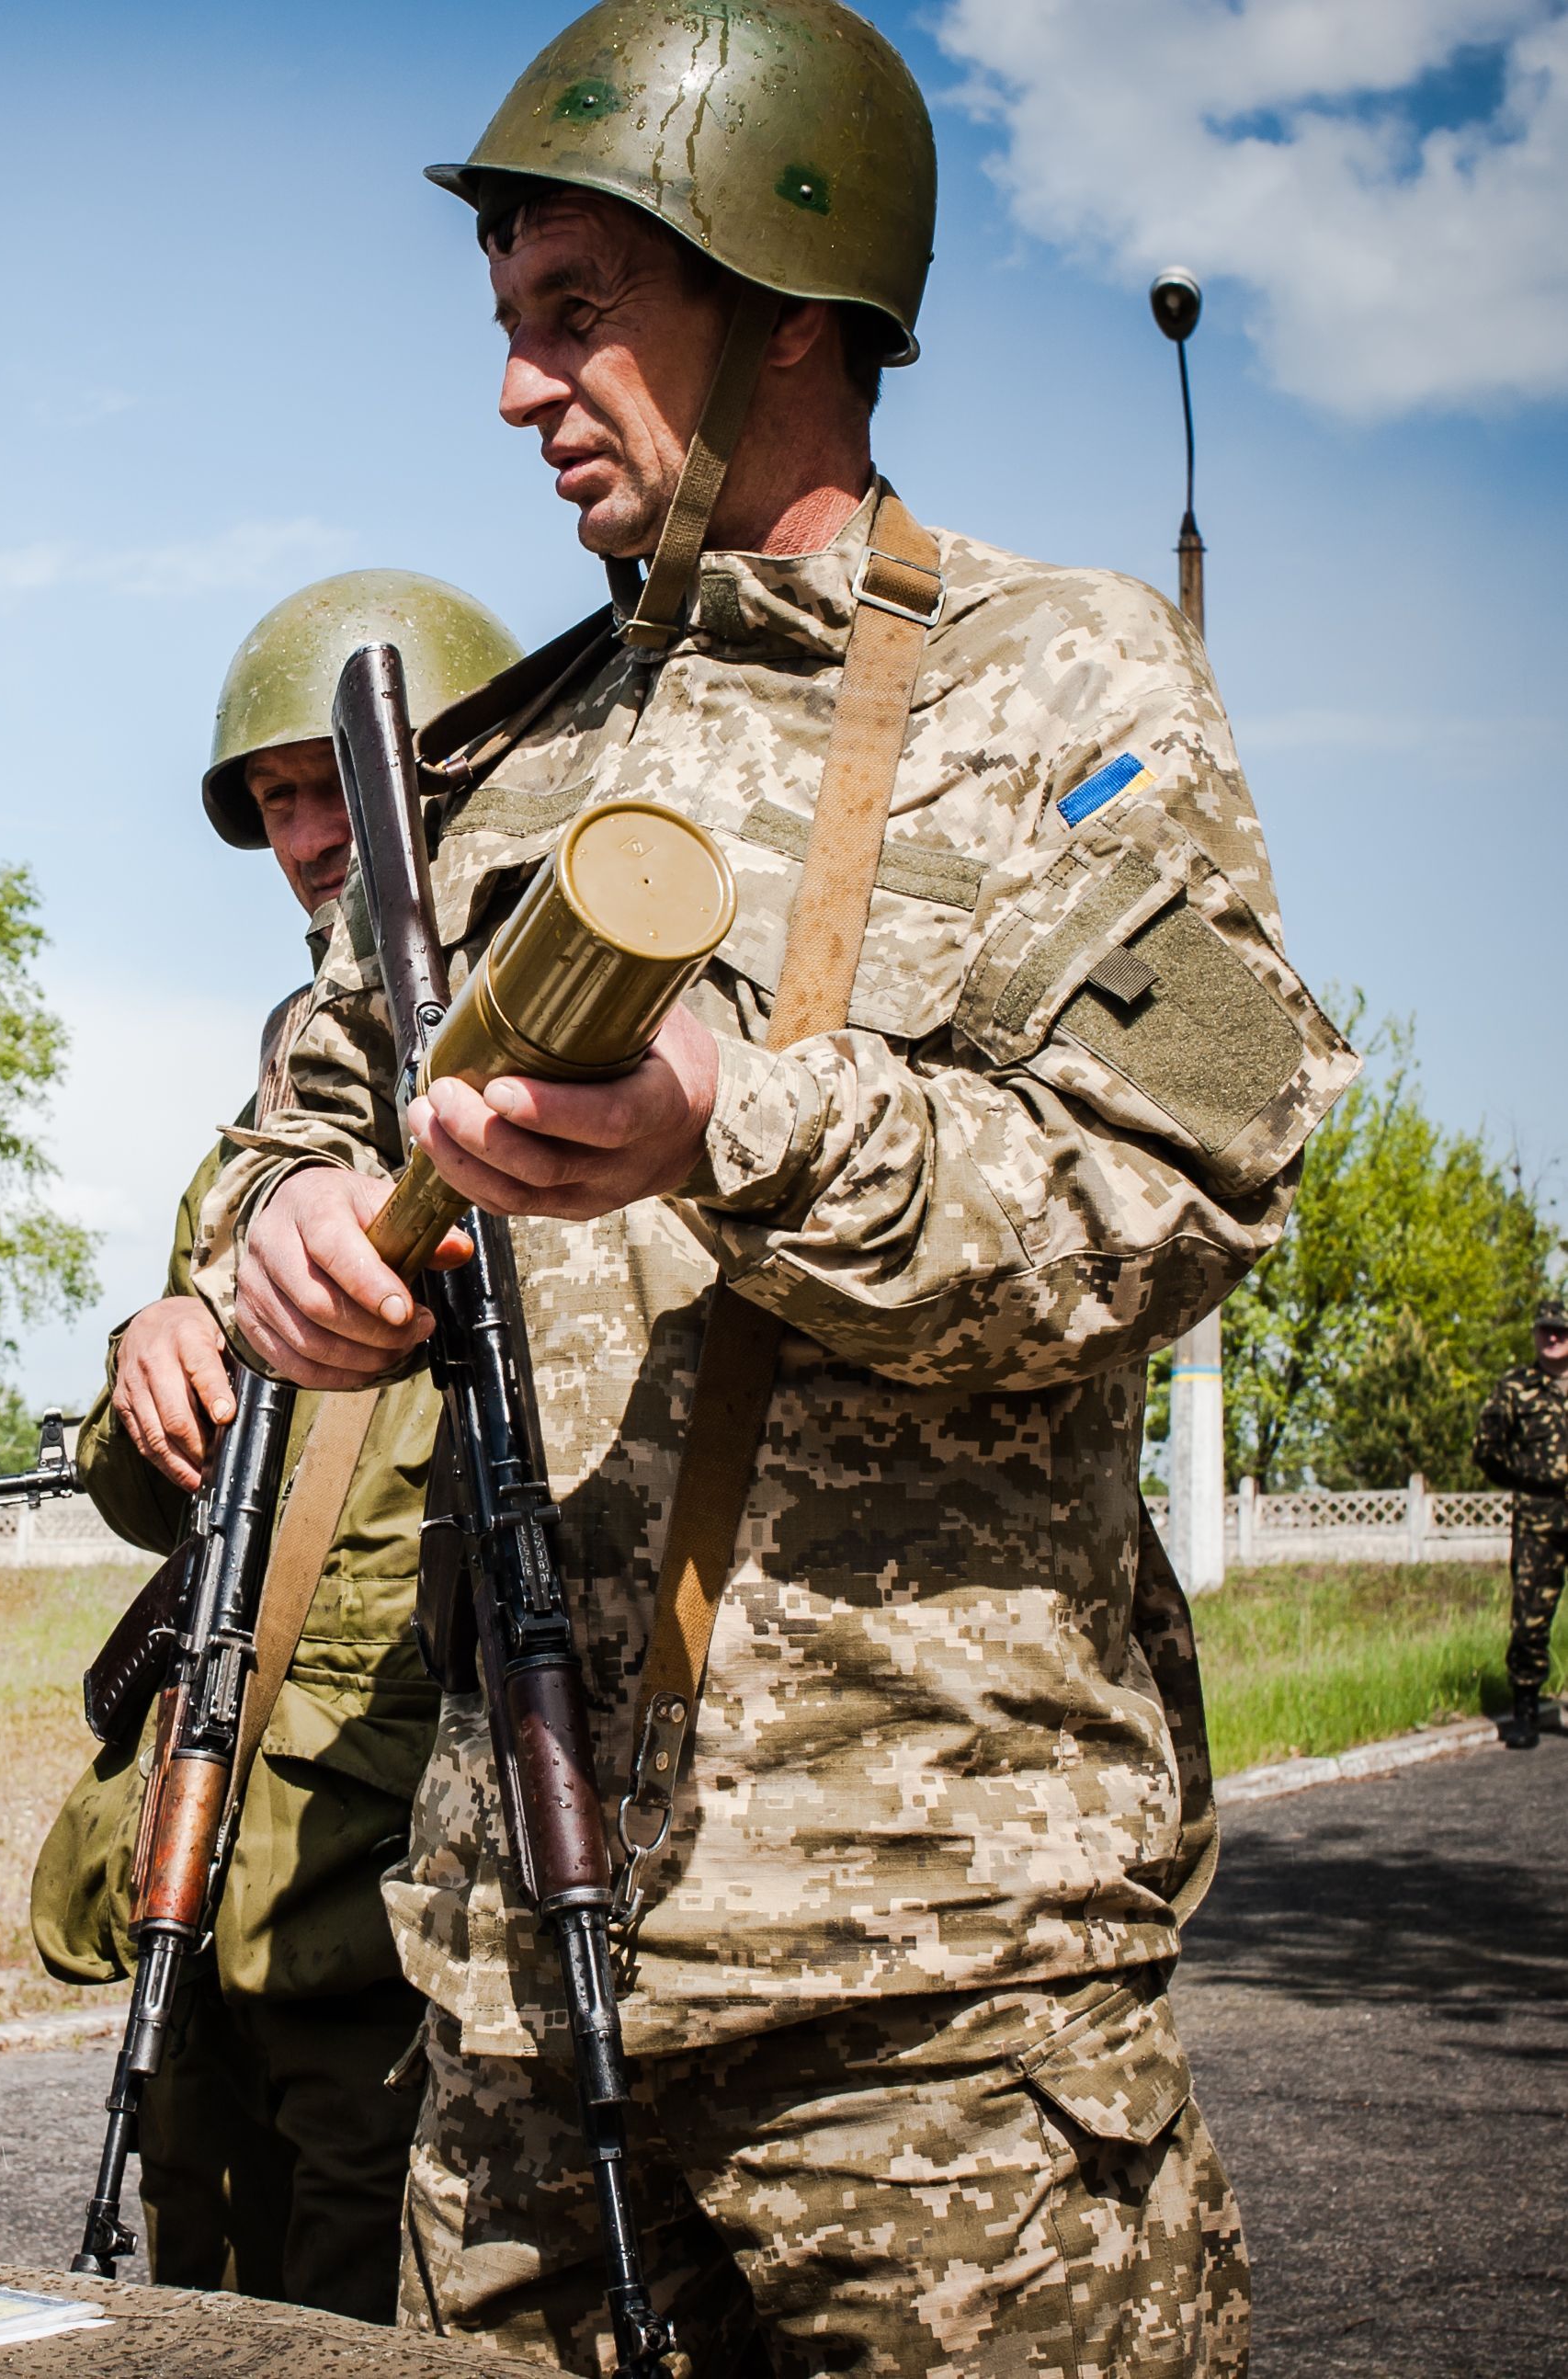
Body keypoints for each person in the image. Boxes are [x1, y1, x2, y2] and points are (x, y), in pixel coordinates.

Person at [199, 4, 1359, 2369]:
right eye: (506, 330)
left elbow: (1169, 1191)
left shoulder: (1055, 687)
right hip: (523, 1976)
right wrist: (285, 1231)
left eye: (573, 320)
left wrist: (728, 1121)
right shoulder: (499, 762)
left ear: (781, 306)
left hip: (930, 1995)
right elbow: (306, 1102)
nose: (516, 393)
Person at [29, 571, 519, 2319]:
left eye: (335, 785)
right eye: (277, 803)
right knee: (194, 2308)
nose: (310, 836)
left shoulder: (544, 1088)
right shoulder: (275, 1107)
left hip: (401, 1891)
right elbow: (142, 1473)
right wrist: (151, 1347)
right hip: (210, 1860)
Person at [1472, 1301, 1568, 1749]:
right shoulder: (1515, 1388)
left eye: (1561, 1330)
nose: (1553, 1337)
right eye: (1546, 1330)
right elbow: (1486, 1449)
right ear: (1535, 1335)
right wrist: (1530, 1478)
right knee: (1530, 1617)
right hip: (1539, 1517)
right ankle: (1526, 1710)